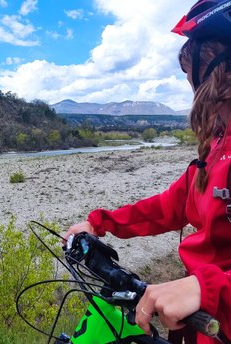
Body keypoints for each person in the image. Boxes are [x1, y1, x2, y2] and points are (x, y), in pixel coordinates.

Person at [63, 1, 231, 343]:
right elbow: (168, 206)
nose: (192, 90)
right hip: (201, 326)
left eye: (191, 77)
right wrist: (100, 222)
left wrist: (208, 288)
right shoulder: (216, 148)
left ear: (214, 72)